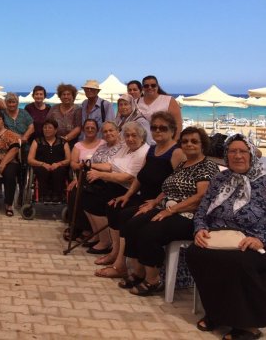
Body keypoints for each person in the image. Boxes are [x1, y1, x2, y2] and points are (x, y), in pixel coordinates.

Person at [119, 127, 217, 292]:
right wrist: (153, 203)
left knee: (150, 231)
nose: (189, 144)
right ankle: (138, 272)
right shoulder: (182, 165)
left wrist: (171, 210)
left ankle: (153, 280)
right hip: (167, 209)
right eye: (185, 141)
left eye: (194, 141)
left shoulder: (207, 166)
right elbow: (167, 189)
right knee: (133, 223)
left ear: (203, 145)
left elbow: (201, 197)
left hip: (189, 215)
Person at [186, 134, 266, 339]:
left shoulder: (264, 180)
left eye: (243, 151)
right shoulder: (220, 178)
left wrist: (260, 239)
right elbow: (202, 210)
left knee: (237, 261)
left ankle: (248, 325)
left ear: (251, 155)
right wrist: (200, 229)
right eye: (232, 151)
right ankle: (216, 314)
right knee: (195, 253)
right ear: (226, 155)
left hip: (252, 239)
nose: (237, 156)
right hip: (219, 234)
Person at [107, 111, 186, 286]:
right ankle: (127, 263)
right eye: (154, 127)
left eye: (162, 128)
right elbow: (140, 177)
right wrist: (127, 195)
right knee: (118, 209)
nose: (157, 131)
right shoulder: (152, 149)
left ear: (172, 130)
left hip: (161, 203)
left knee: (131, 220)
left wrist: (155, 202)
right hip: (145, 198)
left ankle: (138, 270)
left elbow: (177, 185)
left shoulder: (176, 152)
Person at [82, 122, 148, 258]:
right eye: (127, 135)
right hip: (115, 184)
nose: (130, 139)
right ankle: (100, 237)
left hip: (129, 189)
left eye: (134, 135)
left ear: (142, 137)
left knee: (97, 200)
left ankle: (108, 243)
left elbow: (128, 178)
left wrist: (100, 175)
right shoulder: (126, 147)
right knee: (86, 194)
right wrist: (91, 166)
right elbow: (111, 165)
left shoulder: (142, 152)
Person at [28, 118, 71, 204]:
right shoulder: (37, 141)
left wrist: (59, 164)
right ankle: (44, 195)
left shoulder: (63, 142)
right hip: (41, 166)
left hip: (59, 167)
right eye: (45, 127)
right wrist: (43, 164)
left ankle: (57, 195)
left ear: (55, 130)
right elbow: (30, 159)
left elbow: (68, 160)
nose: (47, 129)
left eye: (50, 127)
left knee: (59, 171)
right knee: (42, 170)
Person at [137, 75, 183, 140]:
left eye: (153, 85)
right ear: (143, 88)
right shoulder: (136, 102)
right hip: (140, 141)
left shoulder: (169, 100)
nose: (150, 87)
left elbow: (178, 124)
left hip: (163, 141)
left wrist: (174, 141)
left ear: (157, 86)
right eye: (146, 86)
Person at [47, 83, 82, 148]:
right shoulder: (54, 108)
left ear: (73, 96)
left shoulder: (78, 109)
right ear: (60, 96)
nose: (66, 97)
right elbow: (48, 123)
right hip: (54, 142)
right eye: (63, 94)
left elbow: (78, 127)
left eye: (68, 94)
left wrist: (66, 138)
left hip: (72, 143)